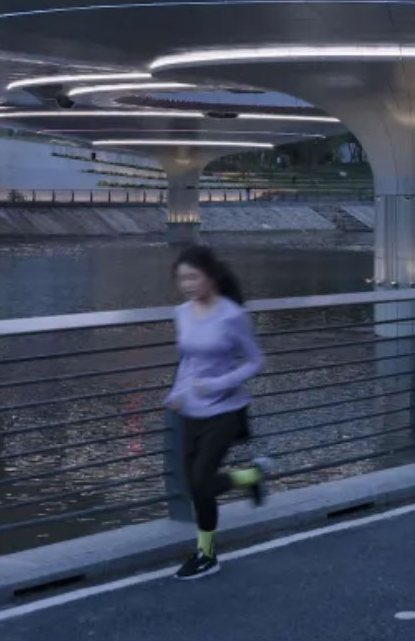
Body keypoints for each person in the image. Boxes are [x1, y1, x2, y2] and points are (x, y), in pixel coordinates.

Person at [164, 245, 268, 581]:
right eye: (182, 278)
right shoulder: (181, 312)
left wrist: (220, 383)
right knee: (196, 486)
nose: (188, 284)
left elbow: (255, 361)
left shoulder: (231, 315)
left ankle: (206, 555)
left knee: (202, 481)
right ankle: (250, 476)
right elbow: (189, 361)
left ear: (211, 276)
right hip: (190, 411)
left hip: (225, 410)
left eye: (193, 276)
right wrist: (177, 393)